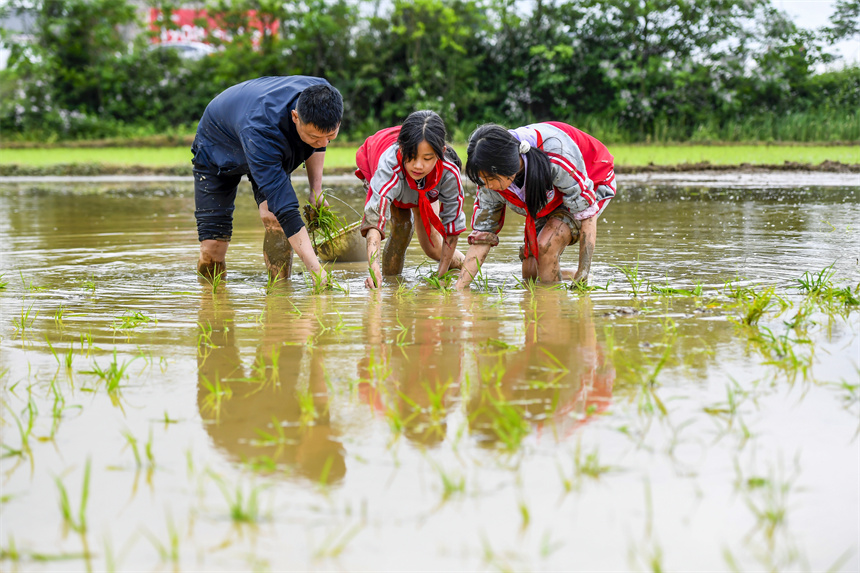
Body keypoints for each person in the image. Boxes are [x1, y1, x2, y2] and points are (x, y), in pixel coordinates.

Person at [192, 75, 343, 284]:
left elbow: (319, 140)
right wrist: (316, 270)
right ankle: (210, 301)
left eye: (332, 136)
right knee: (213, 248)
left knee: (273, 218)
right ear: (295, 116)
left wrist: (315, 190)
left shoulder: (322, 96)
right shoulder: (262, 129)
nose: (323, 143)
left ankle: (279, 292)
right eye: (314, 137)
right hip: (218, 145)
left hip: (259, 134)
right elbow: (286, 209)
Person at [455, 122, 616, 290]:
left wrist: (583, 273)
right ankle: (569, 279)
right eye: (482, 179)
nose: (486, 186)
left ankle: (551, 306)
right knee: (530, 273)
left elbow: (587, 213)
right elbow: (483, 235)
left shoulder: (555, 155)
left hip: (591, 178)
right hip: (548, 197)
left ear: (508, 166)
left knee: (546, 246)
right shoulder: (489, 179)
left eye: (489, 179)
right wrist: (458, 290)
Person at [356, 110, 467, 289]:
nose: (418, 165)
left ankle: (469, 266)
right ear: (401, 149)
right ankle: (391, 284)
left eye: (427, 158)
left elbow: (452, 228)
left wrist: (441, 275)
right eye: (412, 157)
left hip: (427, 184)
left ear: (441, 153)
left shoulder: (448, 172)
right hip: (387, 166)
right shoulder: (389, 166)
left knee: (432, 245)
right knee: (403, 226)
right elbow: (375, 220)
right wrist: (373, 267)